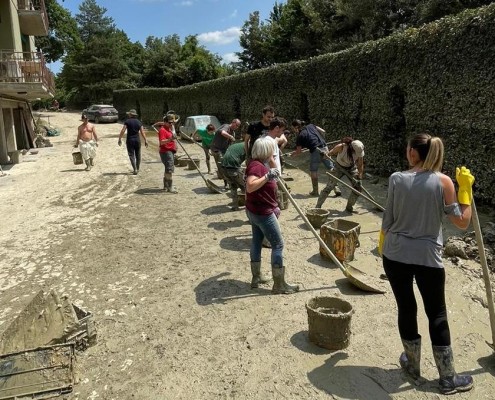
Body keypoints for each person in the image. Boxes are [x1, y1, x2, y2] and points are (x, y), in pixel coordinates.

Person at [380, 133, 474, 395]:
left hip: (395, 253)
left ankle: (412, 364)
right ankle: (447, 378)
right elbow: (462, 222)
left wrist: (383, 242)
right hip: (427, 257)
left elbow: (387, 219)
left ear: (412, 152)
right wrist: (465, 188)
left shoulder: (396, 179)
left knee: (406, 307)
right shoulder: (444, 182)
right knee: (437, 314)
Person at [245, 136, 299, 294]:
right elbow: (250, 186)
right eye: (271, 150)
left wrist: (272, 163)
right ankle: (279, 285)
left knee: (256, 241)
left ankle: (257, 277)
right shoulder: (256, 167)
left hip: (254, 211)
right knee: (278, 245)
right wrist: (268, 176)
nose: (273, 153)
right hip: (263, 213)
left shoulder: (260, 163)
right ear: (265, 151)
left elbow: (277, 174)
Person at [316, 137, 364, 212]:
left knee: (358, 188)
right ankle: (317, 206)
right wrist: (325, 155)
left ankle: (349, 207)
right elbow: (329, 154)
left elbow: (360, 164)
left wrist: (360, 177)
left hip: (351, 168)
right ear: (351, 148)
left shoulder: (359, 150)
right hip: (338, 167)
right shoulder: (341, 147)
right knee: (329, 187)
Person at [289, 119, 334, 197]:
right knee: (331, 168)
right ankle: (336, 189)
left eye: (293, 128)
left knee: (313, 170)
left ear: (296, 127)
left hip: (315, 151)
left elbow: (298, 151)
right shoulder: (311, 125)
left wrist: (293, 154)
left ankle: (315, 192)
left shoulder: (300, 136)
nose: (293, 130)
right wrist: (321, 140)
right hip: (324, 147)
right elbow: (323, 131)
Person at [210, 119, 241, 184]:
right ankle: (226, 182)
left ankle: (226, 182)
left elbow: (230, 145)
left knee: (226, 165)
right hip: (216, 149)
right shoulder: (226, 126)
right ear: (233, 122)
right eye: (237, 125)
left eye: (238, 126)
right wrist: (230, 137)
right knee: (222, 165)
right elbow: (223, 133)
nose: (237, 127)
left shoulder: (233, 132)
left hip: (223, 150)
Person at [118, 109, 148, 175]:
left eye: (129, 114)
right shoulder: (139, 122)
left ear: (131, 115)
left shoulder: (127, 121)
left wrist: (119, 138)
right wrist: (145, 140)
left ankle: (135, 169)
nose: (128, 114)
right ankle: (137, 168)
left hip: (130, 140)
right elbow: (142, 132)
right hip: (137, 140)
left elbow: (123, 130)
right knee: (138, 155)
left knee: (131, 155)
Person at [219, 142, 246, 211]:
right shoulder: (248, 146)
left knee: (233, 186)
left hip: (223, 167)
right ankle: (250, 207)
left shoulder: (236, 145)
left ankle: (235, 206)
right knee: (246, 188)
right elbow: (249, 162)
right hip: (233, 168)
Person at [156, 114, 179, 193]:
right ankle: (170, 188)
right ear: (165, 122)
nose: (171, 124)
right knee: (169, 170)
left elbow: (174, 138)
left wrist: (175, 145)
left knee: (167, 169)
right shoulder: (162, 130)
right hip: (166, 152)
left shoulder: (170, 129)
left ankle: (166, 187)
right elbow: (162, 142)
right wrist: (170, 139)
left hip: (170, 151)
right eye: (169, 122)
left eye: (172, 122)